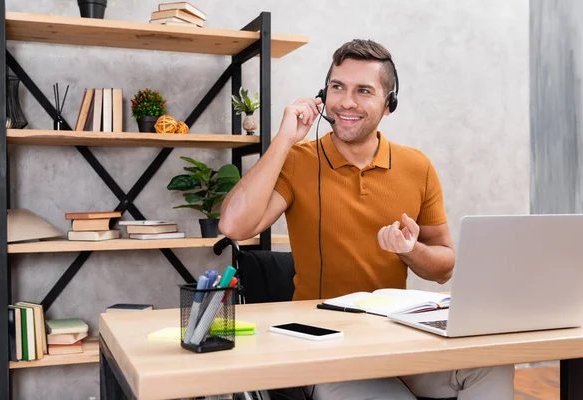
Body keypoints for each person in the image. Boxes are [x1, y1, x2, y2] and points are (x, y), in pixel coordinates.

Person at [219, 39, 514, 400]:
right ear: (322, 94)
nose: (346, 101)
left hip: (396, 338)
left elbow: (444, 268)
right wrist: (284, 139)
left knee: (493, 365)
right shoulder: (298, 160)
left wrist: (410, 250)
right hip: (325, 346)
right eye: (337, 87)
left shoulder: (416, 166)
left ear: (389, 105)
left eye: (364, 91)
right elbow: (234, 226)